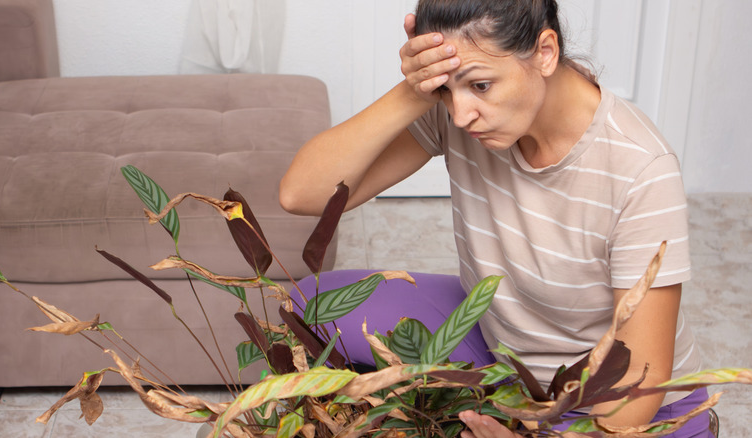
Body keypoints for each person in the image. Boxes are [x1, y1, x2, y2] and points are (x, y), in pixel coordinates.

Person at [280, 1, 710, 436]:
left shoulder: (641, 168)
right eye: (445, 90)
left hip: (631, 408)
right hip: (505, 362)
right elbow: (302, 194)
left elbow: (641, 376)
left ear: (544, 52)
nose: (461, 115)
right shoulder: (459, 113)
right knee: (306, 308)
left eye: (481, 85)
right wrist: (414, 90)